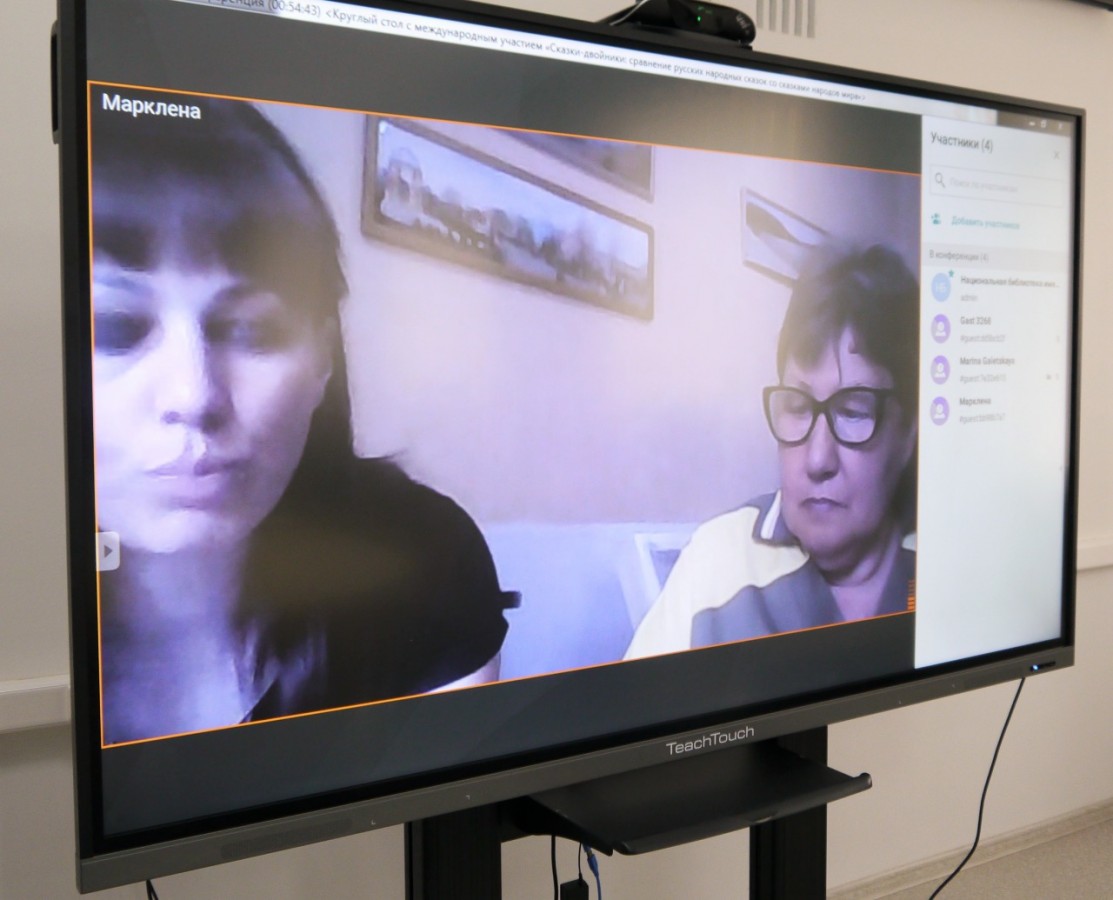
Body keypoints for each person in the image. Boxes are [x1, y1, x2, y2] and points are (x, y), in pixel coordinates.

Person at [90, 92, 517, 745]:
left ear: (322, 357)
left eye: (252, 330)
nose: (194, 395)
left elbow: (454, 798)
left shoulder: (427, 556)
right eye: (115, 327)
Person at [626, 244, 918, 658]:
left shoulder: (956, 565)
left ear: (907, 435)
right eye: (797, 407)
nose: (818, 459)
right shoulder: (716, 560)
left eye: (853, 412)